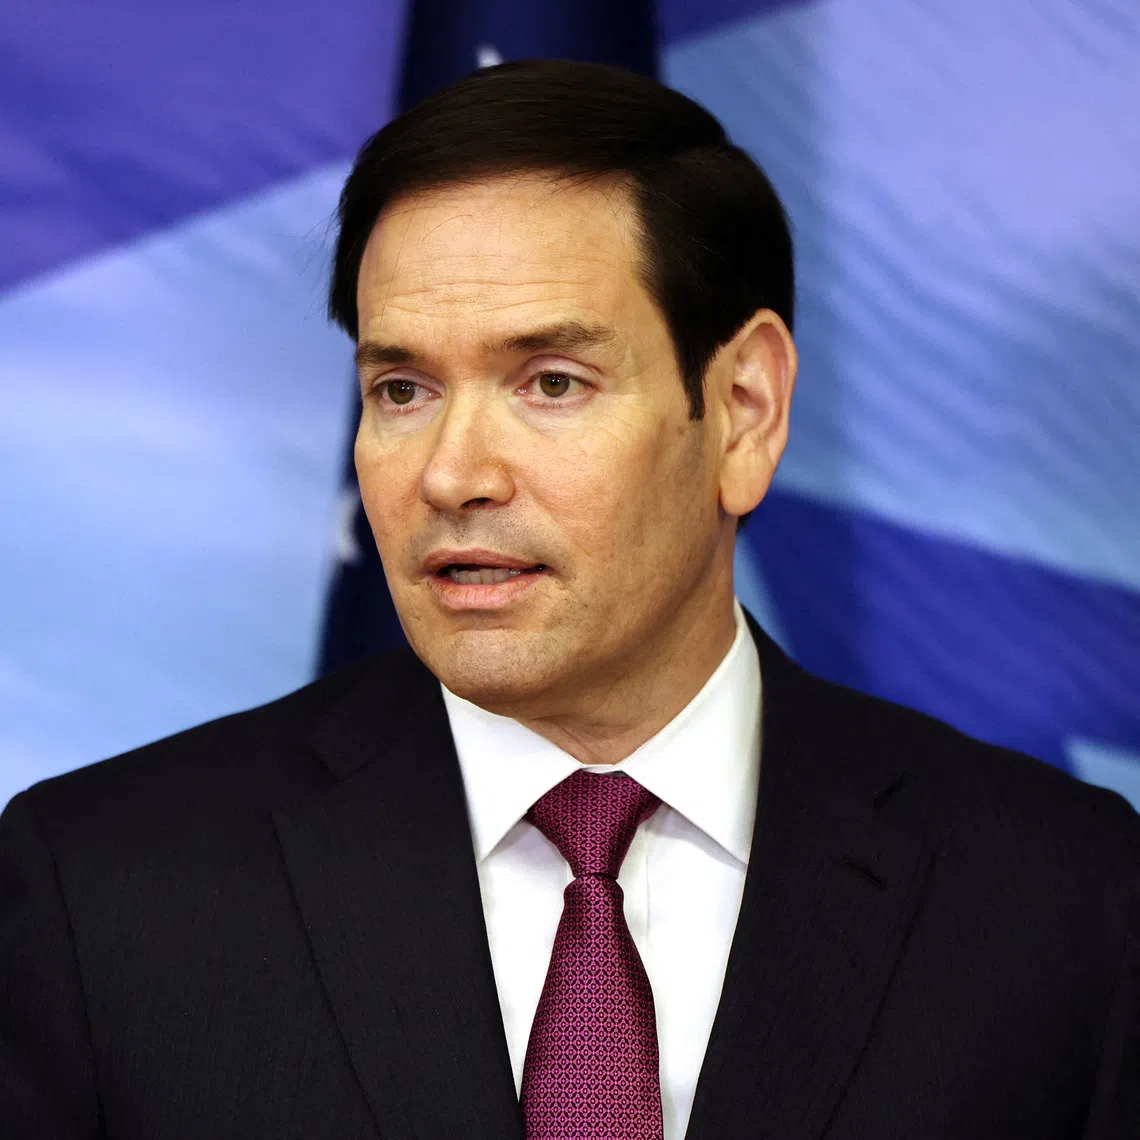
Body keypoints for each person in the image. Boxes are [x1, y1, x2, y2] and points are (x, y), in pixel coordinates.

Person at [1, 59, 1136, 1140]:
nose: (451, 474)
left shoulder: (1064, 901)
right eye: (402, 389)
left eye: (551, 383)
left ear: (742, 411)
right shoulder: (100, 893)